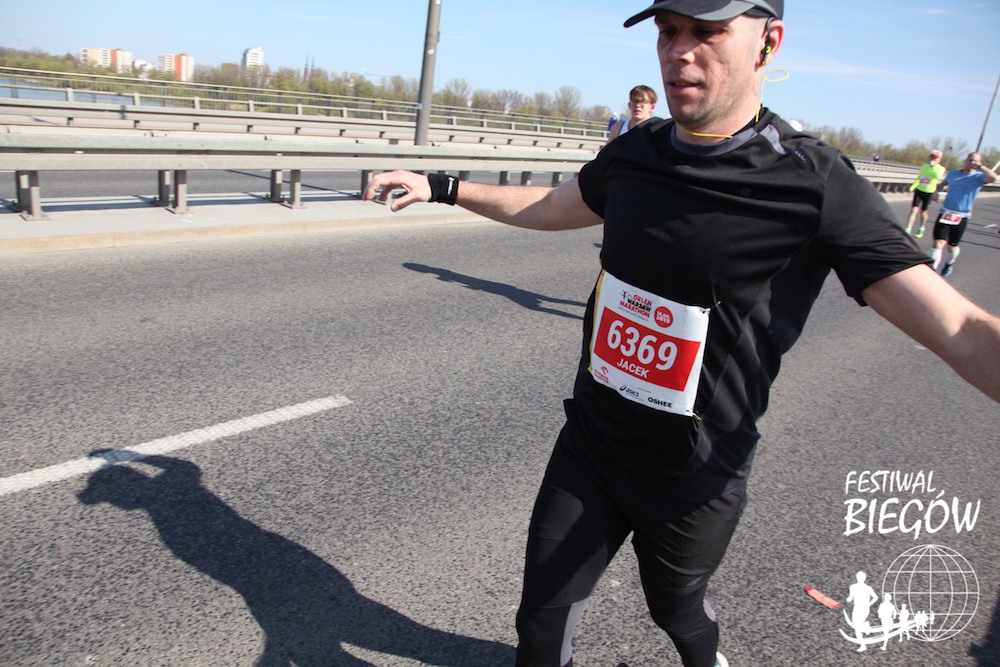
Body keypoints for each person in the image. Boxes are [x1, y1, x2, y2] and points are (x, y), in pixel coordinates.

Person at [363, 1, 1000, 666]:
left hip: (695, 474)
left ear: (768, 42)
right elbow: (553, 205)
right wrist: (442, 185)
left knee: (675, 608)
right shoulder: (635, 153)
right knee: (540, 626)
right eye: (668, 31)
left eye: (708, 32)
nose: (679, 50)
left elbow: (958, 326)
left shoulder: (813, 183)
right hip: (593, 444)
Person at [930, 151, 998, 277]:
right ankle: (931, 272)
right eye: (970, 159)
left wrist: (980, 167)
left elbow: (994, 178)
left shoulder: (979, 177)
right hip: (946, 212)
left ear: (979, 163)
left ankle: (949, 262)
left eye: (975, 161)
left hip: (962, 216)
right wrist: (936, 192)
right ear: (966, 160)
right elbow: (942, 184)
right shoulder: (953, 173)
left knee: (951, 247)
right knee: (938, 243)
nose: (971, 162)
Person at [904, 149, 947, 238]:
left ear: (939, 159)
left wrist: (933, 166)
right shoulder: (924, 166)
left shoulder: (941, 168)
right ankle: (908, 228)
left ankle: (921, 227)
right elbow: (919, 178)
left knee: (923, 211)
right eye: (931, 157)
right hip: (919, 190)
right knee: (914, 210)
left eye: (935, 157)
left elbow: (937, 176)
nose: (932, 159)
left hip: (929, 192)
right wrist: (912, 187)